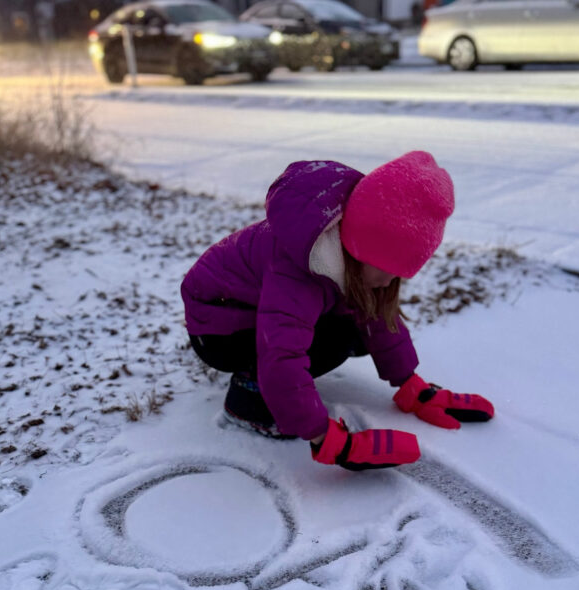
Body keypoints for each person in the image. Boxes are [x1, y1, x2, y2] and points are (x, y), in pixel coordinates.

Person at [180, 151, 494, 472]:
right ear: (363, 247)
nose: (391, 279)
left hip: (250, 311)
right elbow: (282, 353)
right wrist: (329, 441)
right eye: (388, 268)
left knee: (357, 328)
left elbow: (376, 315)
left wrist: (412, 386)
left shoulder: (346, 246)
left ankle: (266, 384)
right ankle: (248, 400)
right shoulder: (298, 270)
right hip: (217, 328)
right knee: (336, 341)